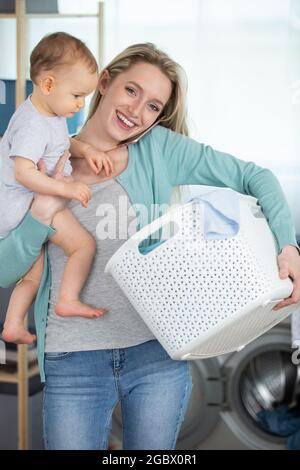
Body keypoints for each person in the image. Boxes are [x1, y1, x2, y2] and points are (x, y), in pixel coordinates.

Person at [1, 42, 300, 450]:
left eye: (154, 106)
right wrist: (40, 217)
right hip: (74, 360)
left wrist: (289, 246)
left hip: (155, 355)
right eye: (131, 91)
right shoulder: (38, 158)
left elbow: (257, 177)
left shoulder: (160, 149)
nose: (137, 112)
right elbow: (4, 271)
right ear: (104, 82)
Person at [0, 32, 113, 345]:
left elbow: (59, 145)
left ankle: (12, 324)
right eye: (77, 96)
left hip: (24, 208)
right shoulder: (32, 124)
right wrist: (66, 189)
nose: (81, 105)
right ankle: (69, 299)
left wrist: (86, 151)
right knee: (83, 246)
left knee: (33, 275)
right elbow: (23, 172)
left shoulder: (48, 111)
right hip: (23, 209)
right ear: (48, 85)